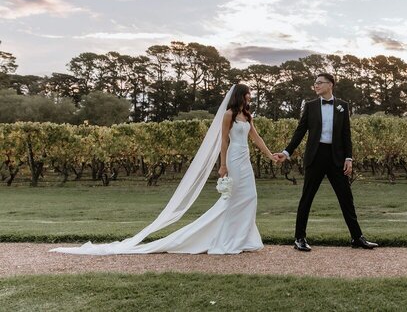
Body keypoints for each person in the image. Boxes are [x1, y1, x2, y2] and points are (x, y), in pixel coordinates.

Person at [51, 83, 278, 255]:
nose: (250, 96)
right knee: (233, 200)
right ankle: (228, 240)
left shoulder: (247, 116)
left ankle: (243, 238)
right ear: (240, 95)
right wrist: (223, 165)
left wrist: (270, 155)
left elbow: (256, 138)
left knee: (250, 197)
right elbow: (223, 142)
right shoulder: (229, 115)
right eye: (248, 93)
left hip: (245, 160)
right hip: (234, 159)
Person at [276, 72, 377, 252]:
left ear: (330, 84)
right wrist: (286, 152)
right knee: (307, 198)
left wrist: (348, 158)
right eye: (315, 83)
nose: (316, 85)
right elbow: (300, 131)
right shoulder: (310, 106)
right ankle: (299, 238)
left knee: (346, 198)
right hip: (315, 156)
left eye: (320, 82)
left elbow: (346, 134)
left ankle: (357, 238)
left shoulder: (342, 106)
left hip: (336, 158)